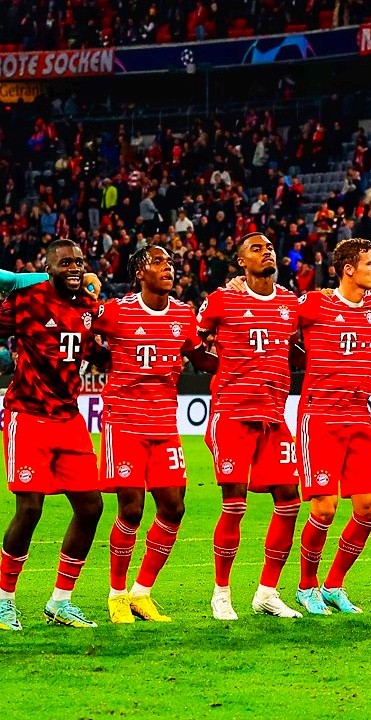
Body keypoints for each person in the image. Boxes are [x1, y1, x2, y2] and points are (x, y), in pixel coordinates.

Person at [97, 246, 218, 624]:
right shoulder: (116, 311)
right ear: (139, 273)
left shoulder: (183, 314)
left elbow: (200, 359)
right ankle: (116, 595)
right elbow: (81, 332)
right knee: (131, 509)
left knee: (174, 507)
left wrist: (243, 360)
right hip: (124, 422)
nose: (168, 268)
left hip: (164, 424)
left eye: (170, 262)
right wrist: (107, 360)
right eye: (158, 262)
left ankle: (141, 592)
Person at [197, 232, 303, 620]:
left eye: (269, 247)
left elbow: (297, 348)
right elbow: (191, 341)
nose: (266, 252)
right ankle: (221, 593)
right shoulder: (222, 299)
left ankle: (267, 593)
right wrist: (220, 368)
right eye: (256, 249)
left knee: (290, 500)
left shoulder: (290, 302)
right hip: (232, 413)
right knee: (235, 502)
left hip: (274, 416)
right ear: (241, 261)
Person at [0, 240, 105, 630]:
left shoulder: (88, 307)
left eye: (79, 262)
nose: (75, 268)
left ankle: (60, 602)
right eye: (65, 263)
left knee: (91, 507)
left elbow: (97, 349)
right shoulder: (28, 299)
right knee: (29, 509)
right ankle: (3, 600)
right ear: (48, 269)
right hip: (28, 415)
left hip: (69, 419)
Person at [293, 238, 371, 615]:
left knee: (369, 507)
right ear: (349, 269)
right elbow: (275, 320)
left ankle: (333, 585)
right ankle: (306, 587)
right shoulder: (315, 303)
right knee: (325, 509)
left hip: (358, 417)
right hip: (320, 417)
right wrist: (240, 286)